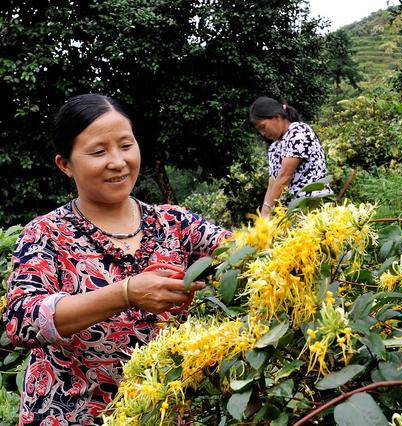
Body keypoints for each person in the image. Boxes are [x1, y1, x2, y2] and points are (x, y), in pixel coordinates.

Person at [1, 94, 231, 425]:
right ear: (65, 164)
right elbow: (22, 320)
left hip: (162, 412)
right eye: (98, 152)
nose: (118, 162)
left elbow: (245, 253)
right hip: (72, 413)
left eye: (126, 145)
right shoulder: (46, 235)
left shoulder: (175, 224)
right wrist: (124, 294)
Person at [249, 96, 332, 217]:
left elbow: (284, 177)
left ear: (277, 117)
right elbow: (273, 183)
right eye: (259, 130)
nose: (262, 133)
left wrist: (267, 212)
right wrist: (262, 220)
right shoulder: (274, 147)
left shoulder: (298, 132)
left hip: (314, 208)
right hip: (293, 212)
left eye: (263, 126)